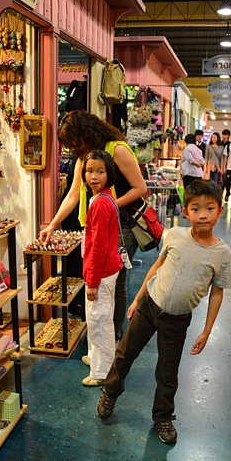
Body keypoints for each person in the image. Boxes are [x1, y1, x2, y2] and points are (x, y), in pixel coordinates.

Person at [96, 179, 231, 444]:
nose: (203, 215)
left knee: (168, 372)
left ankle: (163, 416)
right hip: (149, 305)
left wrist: (207, 331)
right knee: (124, 353)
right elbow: (156, 267)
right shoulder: (175, 234)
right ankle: (110, 392)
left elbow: (217, 292)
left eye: (209, 208)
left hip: (177, 319)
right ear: (186, 211)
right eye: (195, 209)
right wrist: (137, 299)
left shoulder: (222, 253)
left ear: (220, 210)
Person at [39, 110, 147, 340]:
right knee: (96, 278)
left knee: (117, 280)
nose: (75, 148)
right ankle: (99, 333)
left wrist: (108, 205)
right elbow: (73, 195)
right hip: (93, 226)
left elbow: (140, 188)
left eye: (76, 142)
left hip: (122, 225)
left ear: (87, 133)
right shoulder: (84, 156)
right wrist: (53, 225)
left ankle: (113, 336)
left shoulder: (117, 150)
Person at [81, 151, 123, 386]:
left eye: (100, 171)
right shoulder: (104, 197)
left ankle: (102, 371)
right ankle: (96, 358)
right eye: (90, 171)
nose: (94, 176)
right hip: (106, 269)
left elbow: (98, 247)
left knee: (99, 320)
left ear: (109, 174)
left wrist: (92, 281)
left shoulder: (101, 203)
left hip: (102, 272)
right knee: (98, 317)